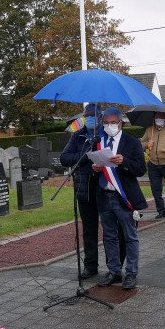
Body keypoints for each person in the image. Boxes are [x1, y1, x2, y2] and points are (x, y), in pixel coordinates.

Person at [93, 108, 147, 290]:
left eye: (113, 122)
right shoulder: (98, 142)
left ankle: (131, 273)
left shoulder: (132, 143)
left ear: (121, 122)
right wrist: (95, 168)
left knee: (130, 236)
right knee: (109, 236)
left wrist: (124, 162)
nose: (109, 125)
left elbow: (140, 169)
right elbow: (92, 165)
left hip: (123, 197)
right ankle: (114, 271)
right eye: (106, 122)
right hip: (104, 195)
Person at [60, 104, 105, 279]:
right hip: (84, 188)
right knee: (88, 229)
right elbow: (65, 158)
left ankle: (113, 266)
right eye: (88, 116)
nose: (91, 118)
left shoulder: (105, 135)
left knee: (110, 228)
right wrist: (85, 156)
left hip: (104, 187)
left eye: (94, 115)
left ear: (100, 117)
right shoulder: (78, 136)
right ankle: (90, 265)